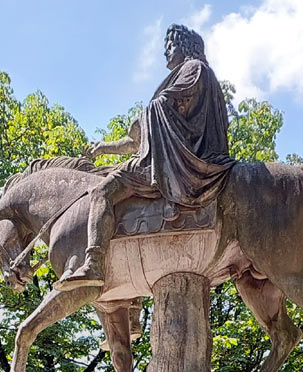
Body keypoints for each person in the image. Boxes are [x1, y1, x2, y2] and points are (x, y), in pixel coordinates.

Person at [55, 23, 235, 290]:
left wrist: (152, 108)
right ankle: (132, 305)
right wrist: (103, 148)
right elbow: (135, 142)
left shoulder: (193, 69)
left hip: (173, 162)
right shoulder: (189, 74)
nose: (165, 56)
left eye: (169, 47)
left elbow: (171, 107)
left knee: (101, 193)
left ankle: (93, 262)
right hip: (163, 157)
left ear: (184, 46)